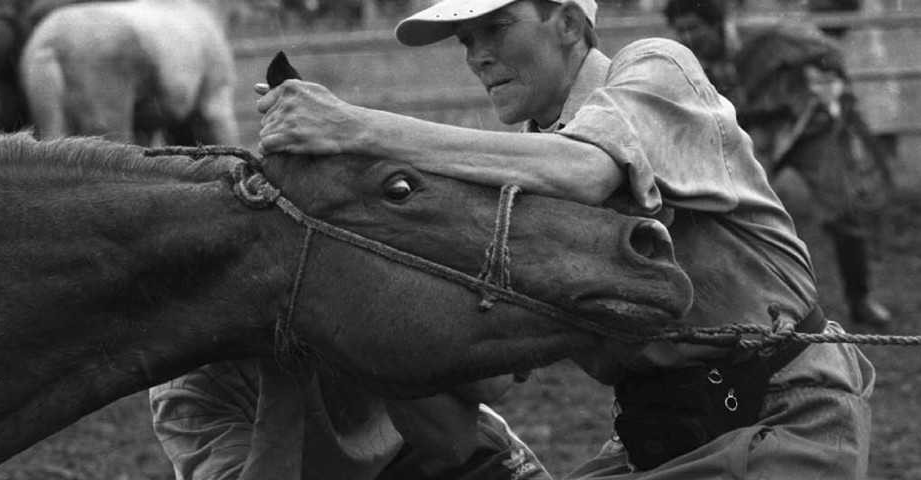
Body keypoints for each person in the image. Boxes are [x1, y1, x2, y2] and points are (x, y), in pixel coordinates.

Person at [252, 0, 876, 477]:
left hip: (782, 418)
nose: (476, 56)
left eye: (496, 29)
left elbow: (586, 169)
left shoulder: (656, 69)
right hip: (658, 431)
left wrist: (355, 127)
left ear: (571, 24)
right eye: (468, 39)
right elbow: (495, 373)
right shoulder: (517, 164)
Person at [663, 0, 895, 328]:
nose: (688, 36)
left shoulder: (768, 36)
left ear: (716, 25)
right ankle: (738, 302)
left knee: (842, 209)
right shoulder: (685, 61)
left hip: (805, 128)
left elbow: (827, 50)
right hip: (752, 134)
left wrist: (828, 90)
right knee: (732, 211)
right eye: (681, 29)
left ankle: (861, 299)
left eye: (694, 28)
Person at [151, 359, 551, 479]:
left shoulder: (339, 289)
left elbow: (457, 443)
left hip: (431, 456)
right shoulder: (188, 393)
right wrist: (284, 374)